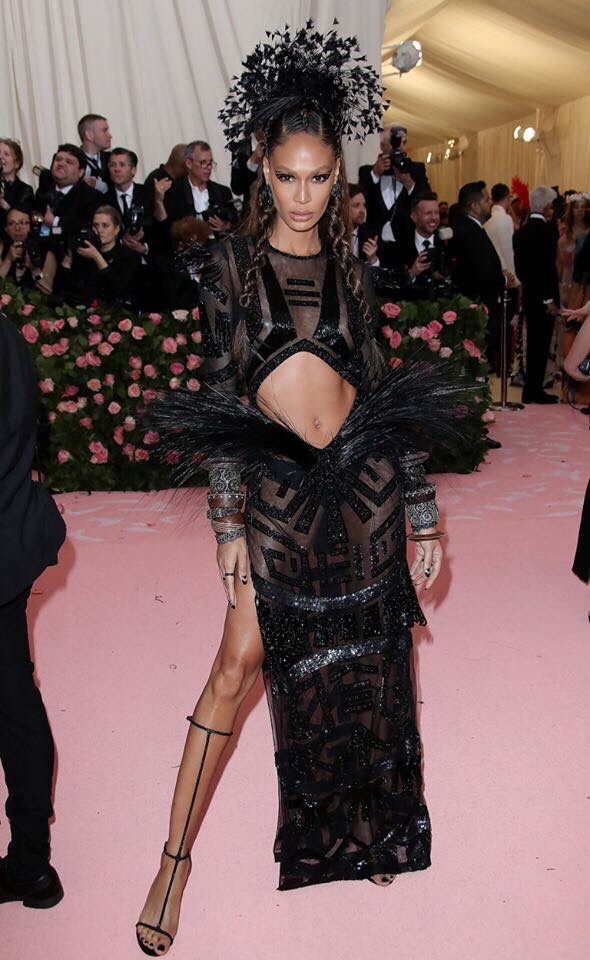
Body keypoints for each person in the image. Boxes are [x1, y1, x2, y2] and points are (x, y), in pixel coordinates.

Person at [137, 22, 469, 957]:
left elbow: (383, 396)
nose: (303, 197)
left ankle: (364, 830)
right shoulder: (228, 269)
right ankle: (172, 862)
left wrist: (422, 510)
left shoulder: (353, 273)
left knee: (365, 664)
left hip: (363, 489)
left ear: (338, 177)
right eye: (288, 177)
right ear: (261, 168)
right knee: (236, 666)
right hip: (279, 492)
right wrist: (226, 520)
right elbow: (221, 396)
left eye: (320, 178)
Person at [0, 312, 66, 909]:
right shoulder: (4, 331)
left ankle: (30, 861)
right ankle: (30, 862)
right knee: (14, 699)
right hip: (12, 538)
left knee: (13, 703)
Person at [450, 181, 508, 373]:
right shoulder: (470, 231)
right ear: (474, 206)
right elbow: (480, 271)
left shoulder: (469, 227)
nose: (491, 203)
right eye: (486, 200)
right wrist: (504, 279)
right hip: (477, 306)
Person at [513, 186, 560, 404]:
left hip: (529, 295)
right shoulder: (548, 232)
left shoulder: (520, 233)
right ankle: (536, 389)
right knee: (541, 344)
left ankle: (529, 390)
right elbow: (547, 269)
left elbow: (521, 269)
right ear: (547, 206)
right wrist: (549, 299)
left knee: (532, 343)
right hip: (544, 298)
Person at [56, 204, 141, 306]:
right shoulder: (85, 252)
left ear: (116, 229)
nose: (99, 230)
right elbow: (67, 289)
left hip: (116, 310)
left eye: (105, 225)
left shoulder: (130, 255)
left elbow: (117, 289)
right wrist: (67, 262)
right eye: (96, 225)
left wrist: (97, 257)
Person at [358, 124, 429, 239]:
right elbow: (360, 201)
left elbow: (427, 201)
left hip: (408, 240)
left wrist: (409, 183)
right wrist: (375, 174)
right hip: (374, 243)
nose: (400, 147)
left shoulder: (417, 170)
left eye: (404, 143)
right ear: (382, 145)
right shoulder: (367, 172)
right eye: (395, 142)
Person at [159, 141, 237, 241]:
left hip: (219, 247)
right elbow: (167, 230)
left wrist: (226, 227)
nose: (208, 168)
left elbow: (236, 224)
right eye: (203, 162)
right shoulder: (174, 192)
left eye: (210, 163)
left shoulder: (222, 192)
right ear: (189, 163)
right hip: (187, 247)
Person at [35, 144, 101, 241]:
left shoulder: (92, 197)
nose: (61, 164)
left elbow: (87, 228)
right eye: (58, 159)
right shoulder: (44, 190)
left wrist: (55, 221)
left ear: (80, 172)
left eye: (69, 162)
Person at [0, 206, 56, 295]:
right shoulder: (1, 248)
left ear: (31, 226)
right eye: (11, 223)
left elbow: (47, 291)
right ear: (6, 229)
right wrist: (8, 260)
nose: (17, 228)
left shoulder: (47, 254)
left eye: (23, 223)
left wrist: (34, 269)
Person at [230, 129, 264, 222]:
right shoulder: (241, 147)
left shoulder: (281, 138)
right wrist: (253, 161)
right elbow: (237, 188)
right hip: (254, 213)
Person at [0, 139, 34, 231]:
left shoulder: (25, 190)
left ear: (16, 163)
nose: (0, 157)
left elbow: (20, 219)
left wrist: (2, 202)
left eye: (6, 154)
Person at [78, 113, 113, 194]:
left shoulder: (113, 159)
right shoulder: (72, 162)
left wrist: (99, 186)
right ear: (89, 135)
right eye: (104, 131)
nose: (110, 135)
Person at [348, 184, 380, 265]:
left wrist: (372, 259)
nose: (363, 210)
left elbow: (378, 272)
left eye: (364, 205)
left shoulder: (370, 238)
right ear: (343, 208)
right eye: (356, 205)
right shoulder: (331, 235)